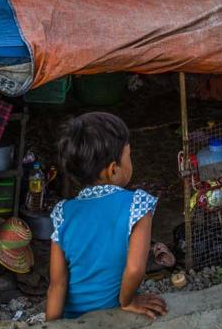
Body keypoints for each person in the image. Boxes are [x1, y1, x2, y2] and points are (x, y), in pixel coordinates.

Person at [45, 112, 168, 321]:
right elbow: (135, 268)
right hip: (112, 315)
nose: (131, 161)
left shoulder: (63, 212)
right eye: (128, 156)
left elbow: (57, 284)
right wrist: (128, 302)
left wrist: (52, 325)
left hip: (73, 318)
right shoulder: (137, 204)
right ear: (113, 169)